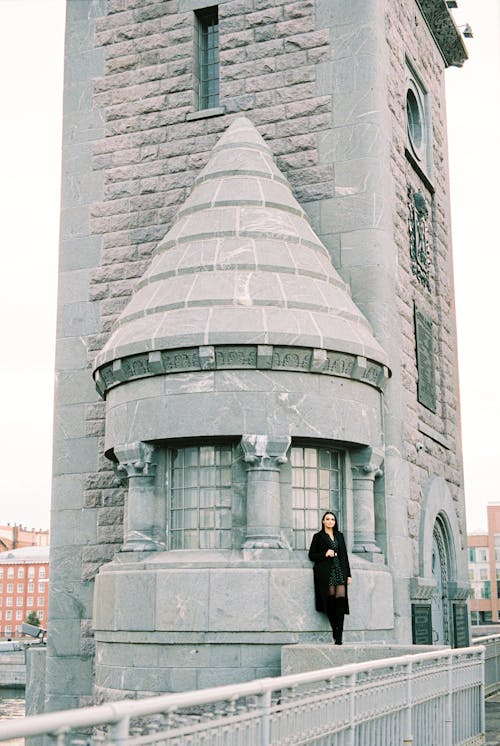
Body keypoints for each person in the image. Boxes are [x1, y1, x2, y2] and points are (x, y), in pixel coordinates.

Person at [308, 511, 352, 644]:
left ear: (335, 522)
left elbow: (344, 556)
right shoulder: (318, 536)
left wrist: (349, 575)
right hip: (326, 574)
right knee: (330, 603)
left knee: (340, 603)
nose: (330, 521)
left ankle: (338, 637)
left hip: (339, 572)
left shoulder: (339, 536)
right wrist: (325, 554)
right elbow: (312, 555)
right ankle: (335, 630)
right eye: (327, 519)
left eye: (332, 519)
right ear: (323, 521)